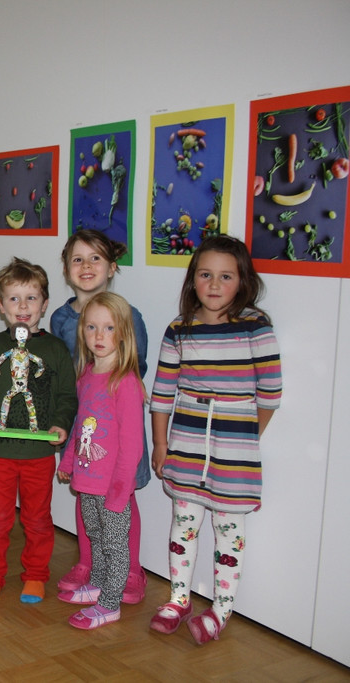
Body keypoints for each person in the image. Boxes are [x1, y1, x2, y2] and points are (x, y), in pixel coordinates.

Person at [148, 235, 281, 645]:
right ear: (193, 279)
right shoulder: (179, 329)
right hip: (186, 448)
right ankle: (179, 598)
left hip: (234, 454)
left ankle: (221, 610)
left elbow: (270, 393)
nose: (215, 284)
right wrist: (160, 444)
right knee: (183, 527)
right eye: (206, 275)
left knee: (229, 533)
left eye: (226, 276)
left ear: (242, 281)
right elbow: (162, 394)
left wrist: (246, 438)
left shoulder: (255, 327)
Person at [0, 257, 78, 604]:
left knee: (37, 519)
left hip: (38, 454)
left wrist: (60, 424)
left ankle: (36, 575)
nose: (23, 306)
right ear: (1, 305)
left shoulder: (55, 349)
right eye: (14, 298)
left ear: (44, 304)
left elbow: (66, 396)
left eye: (31, 298)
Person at [50, 229, 150, 603]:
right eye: (77, 259)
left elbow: (138, 366)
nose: (87, 266)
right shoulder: (61, 319)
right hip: (82, 425)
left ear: (111, 267)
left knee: (122, 501)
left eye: (96, 258)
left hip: (117, 431)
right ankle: (89, 563)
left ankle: (131, 570)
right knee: (86, 497)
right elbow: (61, 374)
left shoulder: (129, 316)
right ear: (66, 269)